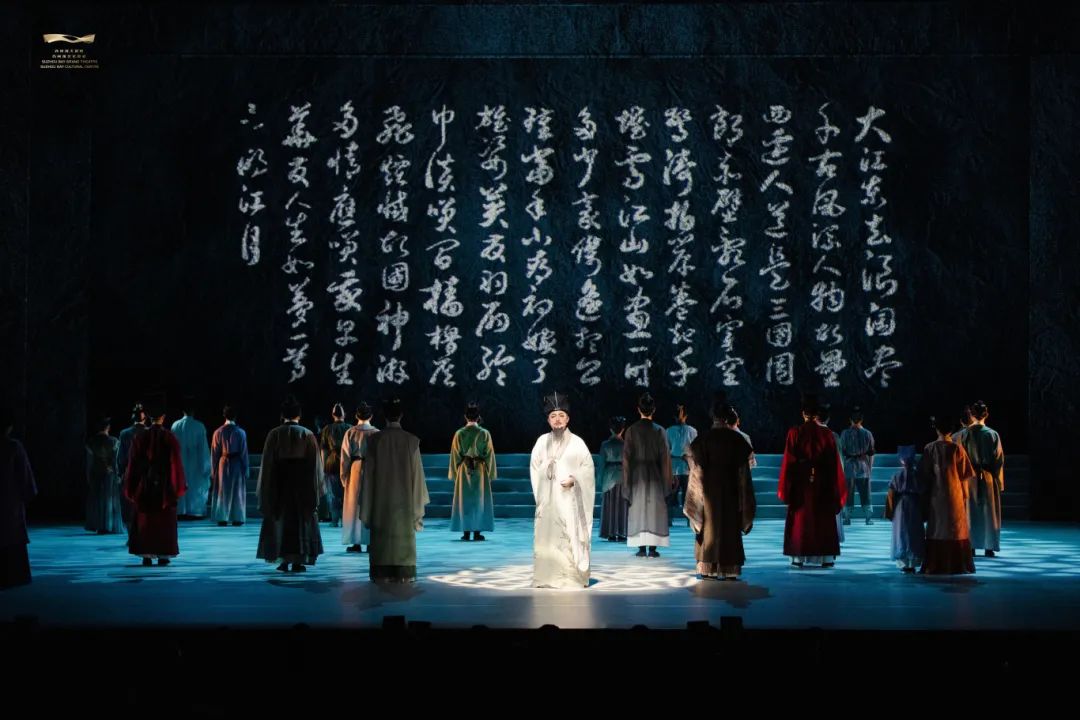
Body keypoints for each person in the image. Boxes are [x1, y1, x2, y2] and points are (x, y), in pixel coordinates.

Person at [529, 392, 595, 589]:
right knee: (547, 539)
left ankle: (571, 578)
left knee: (568, 538)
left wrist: (575, 480)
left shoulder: (578, 443)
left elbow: (588, 470)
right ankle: (546, 577)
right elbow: (534, 469)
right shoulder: (541, 442)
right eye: (553, 416)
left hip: (569, 502)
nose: (557, 420)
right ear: (548, 420)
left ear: (568, 419)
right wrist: (542, 490)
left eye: (561, 415)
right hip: (548, 502)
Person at [359, 399, 429, 582]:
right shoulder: (411, 441)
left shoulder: (374, 441)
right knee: (403, 538)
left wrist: (366, 508)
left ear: (384, 415)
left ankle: (382, 571)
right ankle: (403, 572)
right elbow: (417, 478)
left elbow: (368, 479)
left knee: (381, 543)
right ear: (401, 415)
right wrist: (417, 509)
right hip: (405, 504)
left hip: (381, 504)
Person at [684, 401, 755, 580]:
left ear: (713, 417)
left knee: (708, 526)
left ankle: (708, 567)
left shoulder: (703, 440)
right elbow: (744, 475)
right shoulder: (737, 440)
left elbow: (697, 472)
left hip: (709, 490)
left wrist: (695, 499)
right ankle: (730, 568)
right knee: (729, 526)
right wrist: (745, 502)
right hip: (731, 490)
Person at [256, 396, 324, 573]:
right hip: (302, 484)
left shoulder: (274, 434)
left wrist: (266, 490)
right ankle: (298, 560)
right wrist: (315, 489)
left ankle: (283, 559)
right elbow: (315, 465)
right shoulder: (307, 434)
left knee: (281, 521)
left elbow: (268, 464)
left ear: (282, 415)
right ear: (299, 415)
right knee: (300, 522)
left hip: (280, 484)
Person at [778, 394, 846, 568]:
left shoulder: (795, 433)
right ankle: (826, 557)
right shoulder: (827, 434)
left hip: (801, 481)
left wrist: (786, 488)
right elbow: (833, 463)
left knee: (801, 519)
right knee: (823, 518)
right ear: (817, 414)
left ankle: (798, 557)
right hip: (823, 481)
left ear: (803, 413)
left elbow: (789, 462)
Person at [124, 400, 187, 566]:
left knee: (146, 519)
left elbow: (133, 464)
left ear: (148, 417)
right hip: (164, 485)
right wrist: (176, 486)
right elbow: (175, 464)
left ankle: (146, 554)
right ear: (163, 417)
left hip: (145, 484)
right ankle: (163, 555)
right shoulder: (169, 438)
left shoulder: (140, 437)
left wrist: (132, 486)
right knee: (163, 520)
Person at [920, 414, 976, 574]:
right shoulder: (957, 448)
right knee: (954, 527)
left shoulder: (930, 448)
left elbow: (925, 474)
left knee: (938, 526)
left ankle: (935, 564)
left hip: (936, 494)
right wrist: (965, 495)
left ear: (936, 429)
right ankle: (957, 564)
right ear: (951, 430)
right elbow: (965, 475)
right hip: (954, 495)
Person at [623, 392, 673, 558]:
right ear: (654, 410)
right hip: (655, 474)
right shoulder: (660, 430)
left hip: (637, 475)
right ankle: (652, 548)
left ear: (638, 409)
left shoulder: (631, 430)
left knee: (638, 508)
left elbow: (626, 459)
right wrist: (667, 483)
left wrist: (626, 483)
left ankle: (641, 548)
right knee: (654, 510)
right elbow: (665, 459)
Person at [956, 400, 1004, 557]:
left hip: (969, 478)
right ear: (986, 414)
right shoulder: (992, 434)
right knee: (988, 512)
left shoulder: (963, 434)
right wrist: (999, 482)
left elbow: (959, 459)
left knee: (970, 512)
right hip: (988, 476)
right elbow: (998, 460)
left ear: (971, 415)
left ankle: (970, 546)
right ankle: (989, 546)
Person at [0, 406, 37, 589]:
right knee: (11, 535)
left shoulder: (14, 447)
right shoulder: (13, 447)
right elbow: (25, 475)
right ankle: (13, 576)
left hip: (10, 499)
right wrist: (28, 494)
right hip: (9, 500)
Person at [449, 401, 496, 542]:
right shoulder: (484, 433)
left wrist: (455, 473)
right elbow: (489, 455)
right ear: (478, 417)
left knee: (465, 501)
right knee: (479, 501)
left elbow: (455, 455)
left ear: (465, 416)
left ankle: (466, 533)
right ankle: (476, 532)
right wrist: (490, 473)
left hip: (464, 469)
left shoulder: (459, 433)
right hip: (480, 469)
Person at [339, 402, 377, 553]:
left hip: (355, 468)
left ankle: (356, 542)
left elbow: (345, 457)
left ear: (356, 416)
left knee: (355, 505)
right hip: (372, 469)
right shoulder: (376, 433)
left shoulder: (351, 432)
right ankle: (371, 541)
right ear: (371, 416)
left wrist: (344, 477)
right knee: (370, 504)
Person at [172, 399, 211, 519]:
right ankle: (194, 511)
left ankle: (181, 510)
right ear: (193, 411)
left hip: (180, 461)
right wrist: (206, 468)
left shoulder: (175, 425)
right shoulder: (199, 426)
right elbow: (203, 449)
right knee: (194, 485)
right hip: (195, 463)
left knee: (181, 483)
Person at [888, 445, 924, 573]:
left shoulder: (897, 475)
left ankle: (904, 563)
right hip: (914, 504)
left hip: (901, 505)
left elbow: (891, 494)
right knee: (913, 531)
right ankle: (913, 562)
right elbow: (923, 491)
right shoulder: (918, 475)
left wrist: (890, 511)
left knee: (902, 532)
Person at [210, 405, 249, 526]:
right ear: (235, 416)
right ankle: (237, 517)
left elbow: (214, 453)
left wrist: (213, 470)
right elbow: (244, 453)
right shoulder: (241, 432)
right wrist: (246, 468)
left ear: (224, 415)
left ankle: (222, 517)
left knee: (223, 490)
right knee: (237, 490)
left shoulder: (218, 432)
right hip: (236, 462)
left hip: (223, 462)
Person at [85, 416, 124, 534]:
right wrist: (118, 474)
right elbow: (115, 461)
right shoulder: (114, 441)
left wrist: (88, 475)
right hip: (110, 473)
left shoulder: (91, 442)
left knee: (97, 498)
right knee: (109, 499)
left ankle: (98, 524)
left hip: (96, 472)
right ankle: (109, 525)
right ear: (108, 427)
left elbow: (89, 462)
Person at [838, 407, 875, 525]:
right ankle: (867, 517)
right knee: (865, 493)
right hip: (862, 466)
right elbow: (871, 453)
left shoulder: (845, 433)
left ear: (850, 420)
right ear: (862, 420)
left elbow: (841, 452)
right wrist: (870, 468)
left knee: (850, 492)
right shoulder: (867, 433)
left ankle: (848, 517)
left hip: (850, 466)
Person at [319, 403, 351, 528]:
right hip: (347, 463)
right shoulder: (349, 428)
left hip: (331, 464)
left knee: (333, 493)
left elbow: (324, 450)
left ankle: (334, 520)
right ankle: (345, 520)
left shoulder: (327, 429)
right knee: (346, 493)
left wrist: (323, 468)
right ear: (344, 414)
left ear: (333, 415)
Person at [598, 416, 628, 542]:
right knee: (623, 505)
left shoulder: (605, 445)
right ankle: (622, 532)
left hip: (609, 477)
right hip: (623, 476)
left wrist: (599, 481)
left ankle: (610, 532)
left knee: (609, 505)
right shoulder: (627, 444)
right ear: (623, 429)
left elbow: (601, 465)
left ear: (611, 429)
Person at [666, 404, 698, 524]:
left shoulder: (691, 431)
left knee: (685, 494)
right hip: (679, 466)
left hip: (683, 466)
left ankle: (686, 519)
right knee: (675, 494)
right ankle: (671, 519)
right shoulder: (671, 431)